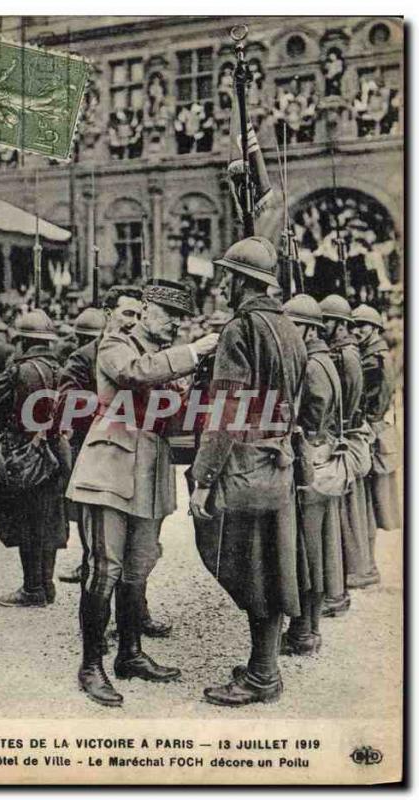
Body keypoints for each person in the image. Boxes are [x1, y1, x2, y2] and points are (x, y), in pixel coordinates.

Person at [67, 279, 219, 707]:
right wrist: (193, 352)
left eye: (181, 319)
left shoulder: (163, 359)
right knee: (104, 568)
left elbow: (174, 419)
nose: (175, 325)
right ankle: (91, 665)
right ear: (147, 310)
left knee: (138, 567)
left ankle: (130, 654)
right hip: (109, 466)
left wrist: (199, 382)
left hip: (150, 468)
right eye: (169, 315)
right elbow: (133, 374)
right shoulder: (117, 342)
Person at [190, 237, 307, 706]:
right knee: (273, 565)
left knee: (250, 568)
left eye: (227, 275)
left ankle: (262, 677)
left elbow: (226, 411)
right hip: (276, 464)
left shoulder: (240, 330)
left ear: (242, 281)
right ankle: (264, 667)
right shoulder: (290, 328)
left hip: (243, 467)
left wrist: (202, 478)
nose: (221, 283)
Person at [56, 287, 142, 586]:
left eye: (139, 315)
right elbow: (67, 400)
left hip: (132, 452)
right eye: (128, 313)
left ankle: (136, 614)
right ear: (109, 314)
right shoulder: (84, 356)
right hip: (96, 451)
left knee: (135, 545)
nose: (134, 321)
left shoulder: (142, 352)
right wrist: (106, 403)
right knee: (100, 542)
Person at [281, 295, 345, 655]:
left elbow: (315, 410)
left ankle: (304, 631)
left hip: (311, 459)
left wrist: (302, 435)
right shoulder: (323, 357)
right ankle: (308, 628)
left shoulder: (312, 362)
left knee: (306, 550)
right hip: (320, 457)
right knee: (314, 547)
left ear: (307, 328)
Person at [0, 310, 68, 608]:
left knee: (26, 522)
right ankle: (46, 585)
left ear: (23, 341)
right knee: (49, 520)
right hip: (55, 452)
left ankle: (32, 588)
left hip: (24, 454)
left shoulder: (17, 371)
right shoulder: (61, 370)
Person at [320, 295, 374, 610]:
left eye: (326, 321)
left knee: (337, 519)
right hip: (343, 436)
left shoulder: (346, 356)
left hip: (343, 439)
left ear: (340, 324)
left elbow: (349, 404)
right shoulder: (345, 352)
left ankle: (337, 592)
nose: (321, 326)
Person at [353, 304, 400, 544]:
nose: (356, 331)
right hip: (379, 429)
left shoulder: (373, 359)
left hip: (374, 432)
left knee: (369, 501)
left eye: (361, 326)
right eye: (354, 325)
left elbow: (372, 400)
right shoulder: (377, 353)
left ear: (374, 328)